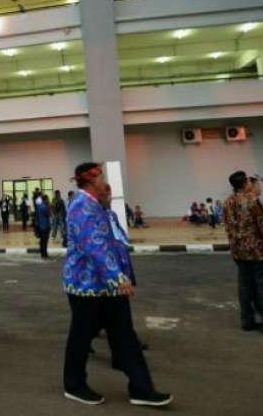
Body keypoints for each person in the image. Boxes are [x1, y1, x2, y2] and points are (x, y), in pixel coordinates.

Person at [63, 162, 171, 407]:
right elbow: (94, 245)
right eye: (101, 178)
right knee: (81, 337)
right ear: (91, 181)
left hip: (107, 286)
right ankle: (74, 385)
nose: (105, 183)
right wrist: (117, 276)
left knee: (125, 335)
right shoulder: (81, 205)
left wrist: (121, 275)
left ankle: (141, 388)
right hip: (86, 285)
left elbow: (113, 242)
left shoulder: (97, 206)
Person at [223, 171, 263, 335]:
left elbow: (228, 227)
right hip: (257, 250)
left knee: (245, 287)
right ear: (245, 183)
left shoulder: (227, 202)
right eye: (249, 181)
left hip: (238, 251)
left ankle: (247, 320)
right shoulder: (252, 201)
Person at [35, 193, 51, 258]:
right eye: (47, 199)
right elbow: (49, 214)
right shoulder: (45, 207)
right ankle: (44, 254)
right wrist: (49, 206)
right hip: (45, 226)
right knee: (45, 241)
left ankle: (42, 253)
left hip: (40, 226)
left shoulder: (39, 206)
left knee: (42, 241)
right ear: (45, 199)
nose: (48, 200)